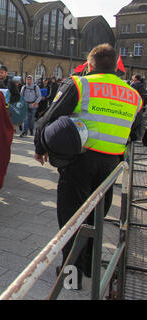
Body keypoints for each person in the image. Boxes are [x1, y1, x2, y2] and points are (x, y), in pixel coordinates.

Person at [34, 43, 143, 289]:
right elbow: (135, 133)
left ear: (90, 64)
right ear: (115, 66)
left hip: (79, 160)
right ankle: (89, 265)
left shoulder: (81, 84)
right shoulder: (133, 94)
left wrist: (40, 147)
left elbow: (49, 117)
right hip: (111, 164)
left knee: (72, 219)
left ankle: (71, 277)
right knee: (96, 218)